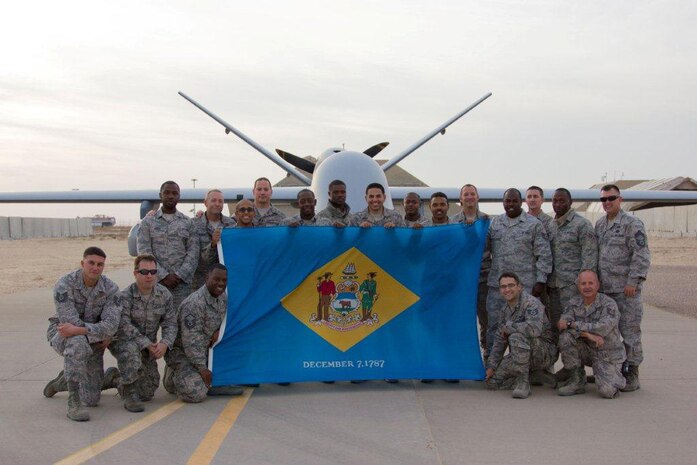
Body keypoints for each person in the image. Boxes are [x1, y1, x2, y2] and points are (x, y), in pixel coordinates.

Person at [43, 247, 121, 421]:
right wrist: (94, 331)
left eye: (100, 264)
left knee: (92, 400)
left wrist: (84, 331)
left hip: (91, 339)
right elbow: (68, 323)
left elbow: (111, 325)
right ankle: (73, 401)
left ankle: (62, 381)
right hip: (63, 334)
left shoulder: (111, 289)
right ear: (82, 263)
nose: (95, 267)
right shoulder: (64, 284)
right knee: (77, 343)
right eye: (91, 263)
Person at [595, 184, 651, 391]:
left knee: (630, 332)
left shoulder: (632, 223)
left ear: (620, 199)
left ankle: (633, 372)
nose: (607, 203)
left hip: (626, 290)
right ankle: (614, 370)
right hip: (605, 290)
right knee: (610, 334)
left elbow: (641, 254)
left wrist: (633, 281)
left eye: (611, 198)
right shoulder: (600, 225)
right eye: (603, 200)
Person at [485, 188, 552, 355]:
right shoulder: (494, 224)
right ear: (503, 203)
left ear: (521, 202)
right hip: (497, 289)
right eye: (508, 201)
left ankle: (525, 367)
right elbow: (481, 247)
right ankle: (493, 365)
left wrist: (540, 281)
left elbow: (544, 255)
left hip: (525, 288)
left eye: (514, 201)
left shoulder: (533, 224)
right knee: (494, 326)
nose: (511, 204)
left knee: (525, 329)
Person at [163, 264, 243, 402]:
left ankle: (207, 381)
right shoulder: (194, 304)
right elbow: (191, 342)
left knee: (240, 377)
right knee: (196, 393)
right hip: (183, 353)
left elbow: (228, 320)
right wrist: (202, 369)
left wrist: (220, 331)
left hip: (207, 351)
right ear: (207, 278)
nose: (221, 283)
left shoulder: (222, 298)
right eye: (217, 279)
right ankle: (172, 377)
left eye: (224, 280)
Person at [109, 254, 177, 412]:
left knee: (147, 392)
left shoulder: (164, 295)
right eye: (144, 272)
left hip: (149, 347)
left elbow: (171, 323)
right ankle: (129, 395)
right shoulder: (125, 297)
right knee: (131, 350)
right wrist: (145, 343)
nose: (149, 276)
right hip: (124, 343)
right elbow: (123, 325)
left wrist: (164, 343)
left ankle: (115, 378)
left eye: (153, 272)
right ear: (135, 273)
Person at [485, 272, 557, 399]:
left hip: (543, 352)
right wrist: (491, 366)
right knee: (493, 383)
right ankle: (535, 375)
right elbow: (499, 341)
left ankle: (523, 382)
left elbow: (534, 329)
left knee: (515, 337)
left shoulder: (531, 304)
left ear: (520, 287)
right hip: (520, 354)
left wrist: (510, 327)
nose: (507, 289)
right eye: (503, 286)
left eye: (511, 285)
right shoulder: (504, 310)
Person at [556, 270, 627, 398]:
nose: (587, 287)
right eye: (583, 283)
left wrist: (573, 325)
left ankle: (617, 374)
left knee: (607, 391)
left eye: (591, 283)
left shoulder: (608, 304)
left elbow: (603, 328)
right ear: (578, 286)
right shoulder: (573, 303)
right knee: (565, 338)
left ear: (598, 285)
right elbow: (562, 325)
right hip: (587, 351)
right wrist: (589, 335)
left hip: (607, 354)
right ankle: (577, 380)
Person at [137, 180, 199, 310]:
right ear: (160, 195)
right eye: (167, 193)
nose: (171, 196)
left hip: (181, 286)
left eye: (174, 193)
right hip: (154, 283)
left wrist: (179, 275)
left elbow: (193, 252)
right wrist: (162, 276)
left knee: (181, 324)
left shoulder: (188, 223)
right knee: (151, 324)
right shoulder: (148, 222)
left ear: (179, 196)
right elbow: (144, 250)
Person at [547, 188, 598, 331]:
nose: (558, 204)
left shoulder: (582, 225)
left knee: (574, 327)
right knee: (556, 327)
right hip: (554, 287)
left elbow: (589, 256)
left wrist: (584, 285)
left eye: (562, 200)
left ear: (570, 202)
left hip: (573, 287)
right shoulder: (551, 226)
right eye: (555, 201)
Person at [450, 184, 490, 357]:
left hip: (483, 278)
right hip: (461, 280)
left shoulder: (487, 221)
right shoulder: (452, 222)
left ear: (478, 196)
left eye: (472, 194)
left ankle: (487, 353)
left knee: (486, 319)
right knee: (459, 319)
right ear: (460, 199)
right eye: (465, 194)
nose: (469, 197)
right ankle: (458, 355)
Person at [192, 189, 236, 290]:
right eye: (213, 200)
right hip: (201, 284)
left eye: (220, 201)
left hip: (225, 284)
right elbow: (194, 257)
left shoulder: (231, 225)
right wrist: (213, 244)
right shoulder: (193, 224)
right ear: (205, 202)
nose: (217, 204)